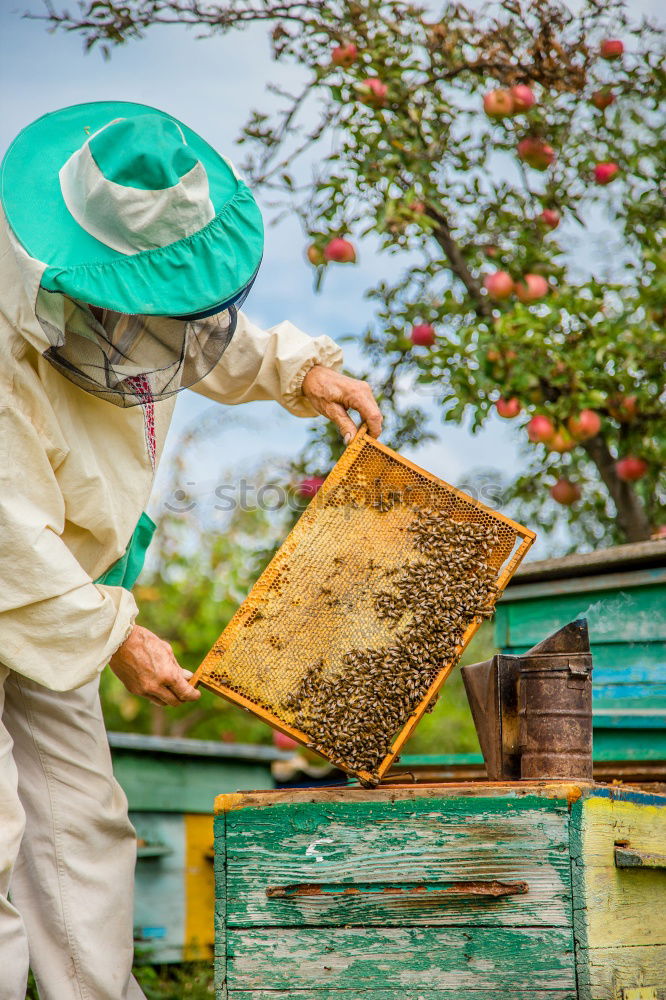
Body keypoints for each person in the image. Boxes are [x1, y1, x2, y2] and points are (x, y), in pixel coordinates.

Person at [0, 101, 382, 1000]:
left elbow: (203, 334)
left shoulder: (150, 307)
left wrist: (302, 369)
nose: (177, 329)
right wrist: (121, 634)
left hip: (66, 587)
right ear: (84, 288)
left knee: (83, 824)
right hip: (28, 570)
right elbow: (8, 533)